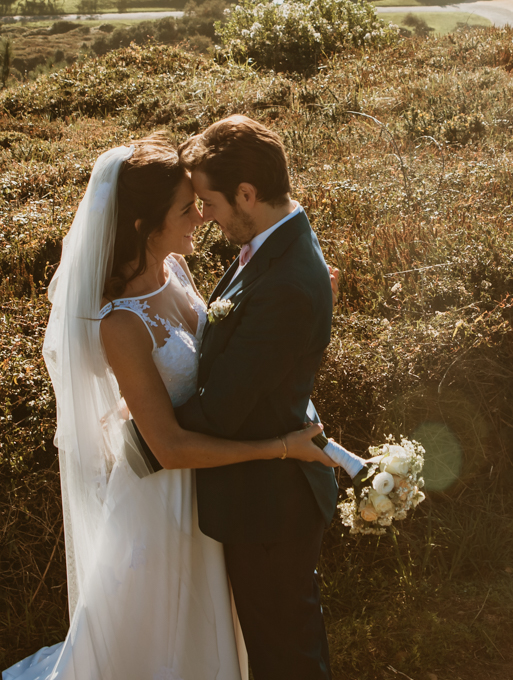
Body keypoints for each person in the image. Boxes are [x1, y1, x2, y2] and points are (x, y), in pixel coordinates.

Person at [5, 134, 336, 680]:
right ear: (143, 225)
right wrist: (280, 448)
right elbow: (170, 446)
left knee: (224, 625)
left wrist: (301, 316)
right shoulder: (121, 323)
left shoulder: (176, 271)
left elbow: (226, 350)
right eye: (187, 209)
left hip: (216, 485)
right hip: (164, 493)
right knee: (165, 637)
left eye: (202, 204)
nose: (201, 219)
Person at [175, 115, 338, 680]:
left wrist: (144, 428)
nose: (206, 216)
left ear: (246, 194)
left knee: (285, 658)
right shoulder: (278, 242)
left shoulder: (287, 281)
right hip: (266, 495)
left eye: (211, 203)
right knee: (282, 646)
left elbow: (221, 409)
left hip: (270, 509)